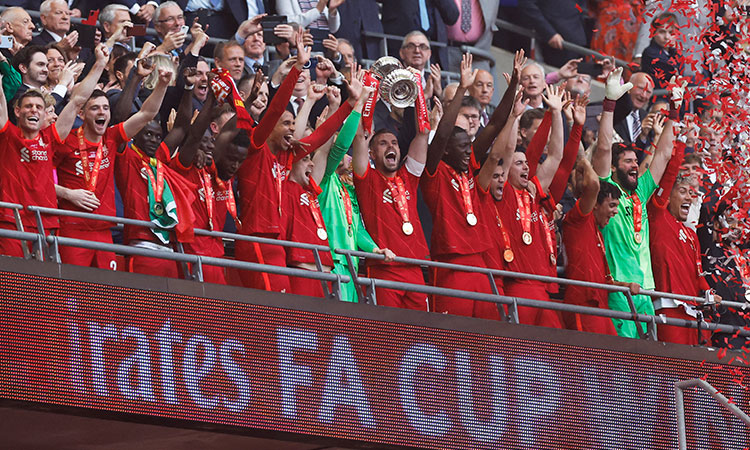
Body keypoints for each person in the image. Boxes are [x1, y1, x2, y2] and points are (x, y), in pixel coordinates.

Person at [233, 34, 360, 293]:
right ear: (270, 128)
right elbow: (277, 108)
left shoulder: (286, 159)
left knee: (288, 319)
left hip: (278, 241)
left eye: (294, 123)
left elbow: (321, 137)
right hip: (256, 238)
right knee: (270, 315)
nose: (292, 128)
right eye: (286, 124)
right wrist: (298, 69)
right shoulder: (257, 148)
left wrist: (349, 104)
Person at [52, 59, 180, 271]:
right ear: (82, 114)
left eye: (105, 108)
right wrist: (68, 194)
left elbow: (146, 114)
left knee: (105, 297)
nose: (102, 112)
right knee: (71, 295)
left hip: (103, 231)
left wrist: (162, 86)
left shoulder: (111, 138)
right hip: (72, 227)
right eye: (95, 108)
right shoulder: (68, 140)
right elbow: (38, 178)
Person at [592, 68, 685, 338]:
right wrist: (609, 104)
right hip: (618, 289)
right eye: (628, 162)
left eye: (636, 161)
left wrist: (675, 112)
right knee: (621, 365)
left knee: (644, 368)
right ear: (615, 167)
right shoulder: (607, 189)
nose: (635, 165)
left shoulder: (641, 191)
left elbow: (665, 152)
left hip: (646, 290)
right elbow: (603, 147)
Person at [0, 44, 110, 257]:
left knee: (44, 288)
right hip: (12, 220)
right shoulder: (7, 136)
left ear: (45, 114)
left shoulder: (50, 138)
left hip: (47, 221)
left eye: (39, 107)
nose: (34, 110)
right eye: (28, 106)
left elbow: (77, 99)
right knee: (12, 284)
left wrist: (100, 64)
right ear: (17, 111)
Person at [420, 54, 501, 319]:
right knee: (453, 339)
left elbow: (495, 126)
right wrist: (463, 88)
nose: (469, 153)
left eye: (470, 148)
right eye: (463, 148)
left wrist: (513, 90)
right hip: (451, 262)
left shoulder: (469, 173)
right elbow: (442, 133)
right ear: (444, 153)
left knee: (486, 344)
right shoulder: (436, 173)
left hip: (480, 261)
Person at [496, 84, 566, 328]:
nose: (526, 167)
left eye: (527, 163)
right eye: (519, 163)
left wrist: (556, 113)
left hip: (544, 290)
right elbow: (505, 151)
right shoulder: (502, 191)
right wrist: (514, 116)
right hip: (517, 287)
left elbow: (556, 156)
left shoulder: (535, 191)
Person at [352, 104, 430, 310]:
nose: (391, 147)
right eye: (383, 143)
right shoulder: (367, 180)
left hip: (413, 267)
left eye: (394, 143)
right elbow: (360, 138)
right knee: (387, 335)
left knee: (421, 333)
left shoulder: (409, 178)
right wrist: (364, 102)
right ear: (372, 153)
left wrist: (419, 96)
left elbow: (422, 135)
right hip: (384, 267)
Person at [649, 140, 716, 345]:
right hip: (669, 309)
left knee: (701, 372)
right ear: (668, 196)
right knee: (675, 370)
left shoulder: (691, 234)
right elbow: (668, 177)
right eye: (682, 191)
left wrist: (709, 292)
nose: (689, 196)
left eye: (691, 193)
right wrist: (680, 143)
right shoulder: (658, 218)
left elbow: (698, 277)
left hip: (694, 312)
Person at [562, 158, 620, 335]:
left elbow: (603, 280)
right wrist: (584, 162)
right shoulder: (579, 220)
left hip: (600, 305)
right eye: (611, 205)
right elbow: (594, 184)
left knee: (612, 360)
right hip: (583, 304)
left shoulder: (598, 233)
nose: (615, 211)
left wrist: (625, 285)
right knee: (588, 361)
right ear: (594, 204)